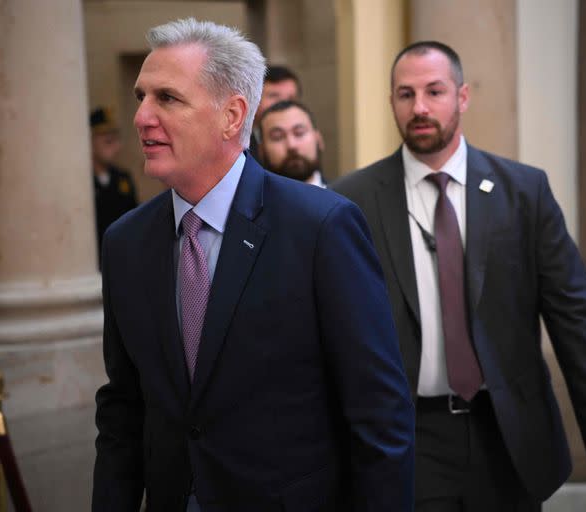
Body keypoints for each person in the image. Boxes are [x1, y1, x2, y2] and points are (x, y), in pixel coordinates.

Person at [92, 17, 414, 512]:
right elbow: (124, 410)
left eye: (167, 99)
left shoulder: (321, 228)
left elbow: (378, 413)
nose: (141, 117)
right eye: (141, 96)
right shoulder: (125, 242)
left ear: (232, 115)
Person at [332, 41, 586, 511]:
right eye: (405, 94)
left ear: (463, 96)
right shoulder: (352, 201)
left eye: (434, 91)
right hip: (408, 438)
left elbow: (576, 317)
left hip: (508, 436)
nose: (420, 108)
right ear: (391, 102)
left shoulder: (523, 192)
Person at [90, 106, 138, 259]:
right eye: (107, 141)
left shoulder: (122, 178)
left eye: (115, 139)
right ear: (90, 141)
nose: (114, 147)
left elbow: (133, 219)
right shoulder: (83, 182)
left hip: (120, 255)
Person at [258, 100, 326, 187]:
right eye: (277, 137)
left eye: (299, 133)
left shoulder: (343, 197)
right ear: (261, 150)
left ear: (318, 139)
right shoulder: (249, 200)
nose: (291, 145)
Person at [250, 65, 301, 162]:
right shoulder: (240, 145)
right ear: (255, 99)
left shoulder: (304, 141)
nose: (283, 103)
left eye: (291, 98)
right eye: (274, 96)